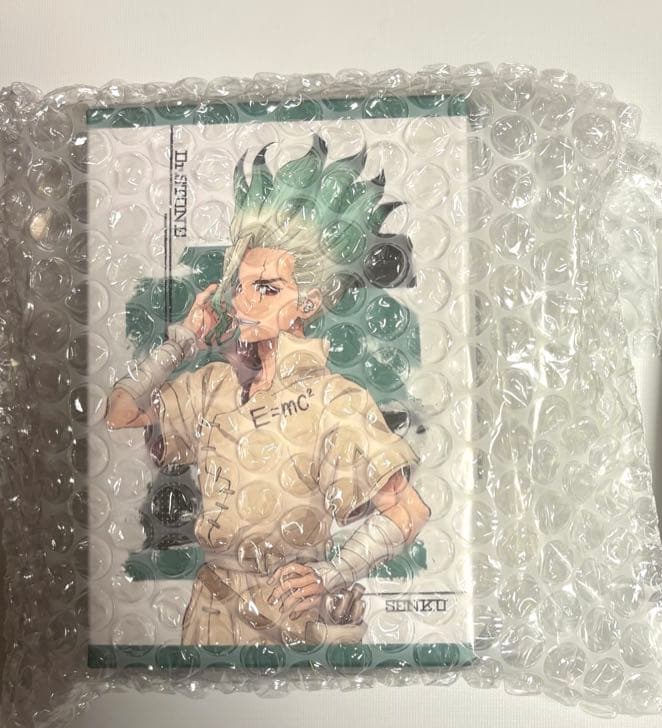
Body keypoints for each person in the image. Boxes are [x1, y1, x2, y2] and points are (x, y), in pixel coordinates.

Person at [105, 136, 430, 646]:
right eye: (242, 285)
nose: (244, 302)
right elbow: (120, 413)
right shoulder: (213, 385)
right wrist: (183, 340)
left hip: (286, 618)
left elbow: (409, 511)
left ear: (308, 303)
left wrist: (333, 573)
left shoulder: (333, 400)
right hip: (207, 612)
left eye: (267, 289)